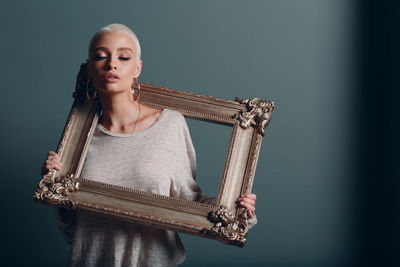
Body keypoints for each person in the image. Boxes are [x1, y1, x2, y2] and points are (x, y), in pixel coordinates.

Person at [42, 23, 257, 267]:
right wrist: (54, 187)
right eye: (101, 56)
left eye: (123, 57)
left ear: (137, 68)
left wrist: (235, 210)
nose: (112, 64)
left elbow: (189, 200)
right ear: (89, 68)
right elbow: (72, 233)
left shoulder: (169, 125)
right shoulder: (77, 142)